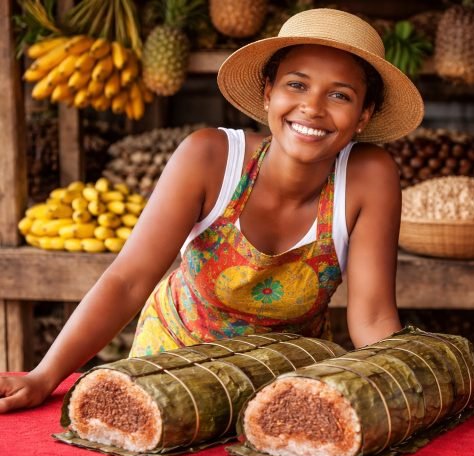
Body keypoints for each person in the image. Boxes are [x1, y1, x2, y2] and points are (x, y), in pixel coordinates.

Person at [0, 8, 424, 413]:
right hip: (169, 370)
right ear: (267, 93)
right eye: (296, 85)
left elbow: (372, 317)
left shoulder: (369, 177)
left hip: (283, 387)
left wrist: (410, 390)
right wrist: (44, 376)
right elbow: (128, 281)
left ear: (364, 115)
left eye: (339, 95)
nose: (312, 107)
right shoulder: (211, 158)